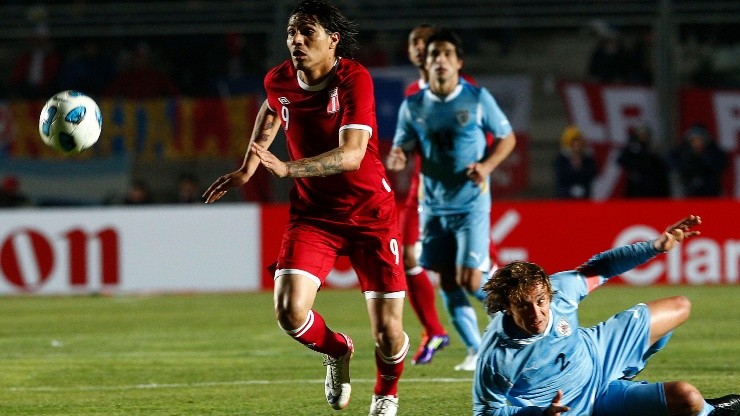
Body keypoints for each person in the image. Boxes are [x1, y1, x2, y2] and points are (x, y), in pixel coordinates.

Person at [202, 2, 408, 415]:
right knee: (290, 312)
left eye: (307, 32)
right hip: (315, 215)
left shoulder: (354, 79)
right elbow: (271, 107)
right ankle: (338, 350)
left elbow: (352, 155)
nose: (295, 40)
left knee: (387, 333)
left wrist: (288, 168)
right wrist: (248, 168)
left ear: (332, 40)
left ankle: (386, 393)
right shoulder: (278, 79)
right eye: (292, 32)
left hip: (370, 211)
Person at [473, 215, 740, 416]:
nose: (537, 312)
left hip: (599, 351)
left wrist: (656, 245)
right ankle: (711, 412)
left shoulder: (561, 290)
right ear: (507, 306)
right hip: (571, 405)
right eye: (524, 306)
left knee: (679, 306)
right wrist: (538, 414)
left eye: (541, 301)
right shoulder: (496, 356)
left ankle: (626, 375)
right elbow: (486, 412)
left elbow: (602, 267)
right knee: (688, 398)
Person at [387, 28, 516, 372]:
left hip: (470, 203)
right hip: (432, 206)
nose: (439, 60)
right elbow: (403, 145)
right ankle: (476, 348)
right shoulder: (413, 104)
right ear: (424, 63)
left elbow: (507, 137)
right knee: (445, 279)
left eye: (446, 54)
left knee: (470, 279)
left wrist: (487, 166)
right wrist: (398, 156)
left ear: (458, 61)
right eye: (433, 55)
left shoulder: (475, 97)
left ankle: (521, 314)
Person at [387, 23, 451, 367]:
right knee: (407, 256)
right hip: (419, 189)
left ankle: (520, 323)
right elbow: (408, 137)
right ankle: (434, 329)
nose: (414, 48)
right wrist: (401, 152)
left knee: (476, 269)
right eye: (412, 42)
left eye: (420, 42)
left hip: (456, 191)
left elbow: (482, 137)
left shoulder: (461, 88)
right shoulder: (413, 90)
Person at [669, 125, 728, 197]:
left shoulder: (714, 153)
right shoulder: (681, 153)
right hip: (687, 195)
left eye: (700, 140)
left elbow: (720, 164)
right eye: (695, 140)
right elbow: (672, 163)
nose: (698, 143)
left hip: (710, 195)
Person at [617, 124, 671, 198]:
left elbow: (662, 168)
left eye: (645, 134)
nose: (643, 136)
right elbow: (621, 160)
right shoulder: (631, 148)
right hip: (637, 188)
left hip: (654, 187)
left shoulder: (654, 148)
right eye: (641, 134)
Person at [553, 125, 599, 199]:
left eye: (579, 141)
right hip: (566, 198)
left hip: (584, 198)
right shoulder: (561, 159)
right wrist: (572, 168)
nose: (577, 145)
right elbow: (561, 176)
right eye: (573, 142)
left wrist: (581, 168)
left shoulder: (587, 158)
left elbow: (593, 173)